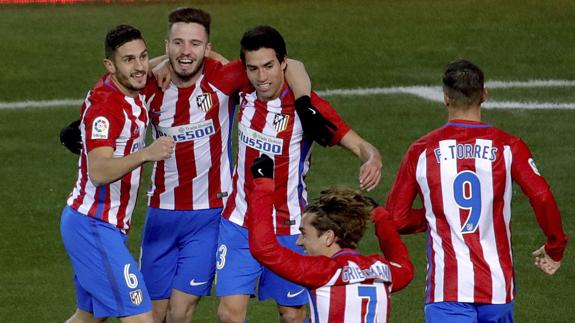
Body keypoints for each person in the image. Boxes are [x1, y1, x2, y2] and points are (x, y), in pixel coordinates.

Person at [216, 25, 383, 323]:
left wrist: (372, 159)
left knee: (292, 315)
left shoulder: (307, 108)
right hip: (239, 221)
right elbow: (201, 64)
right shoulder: (243, 86)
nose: (261, 77)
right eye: (253, 69)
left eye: (269, 66)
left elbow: (359, 144)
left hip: (289, 228)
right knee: (229, 314)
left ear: (283, 63)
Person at [384, 59, 568, 322]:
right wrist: (555, 245)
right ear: (484, 94)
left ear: (446, 99)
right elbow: (541, 196)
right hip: (497, 290)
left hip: (447, 290)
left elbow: (397, 218)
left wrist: (440, 215)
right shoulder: (508, 146)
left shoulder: (421, 150)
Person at [60, 25, 175, 323]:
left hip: (98, 225)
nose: (140, 67)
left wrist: (165, 61)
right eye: (129, 60)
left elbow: (161, 65)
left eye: (143, 57)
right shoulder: (106, 108)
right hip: (93, 225)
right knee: (140, 315)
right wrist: (147, 153)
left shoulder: (131, 87)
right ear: (110, 66)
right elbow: (99, 171)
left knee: (88, 317)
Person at [246, 155, 414, 323]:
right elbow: (404, 267)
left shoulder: (323, 272)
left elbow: (264, 249)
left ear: (328, 237)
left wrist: (263, 185)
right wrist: (382, 219)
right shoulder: (382, 270)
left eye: (305, 233)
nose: (299, 241)